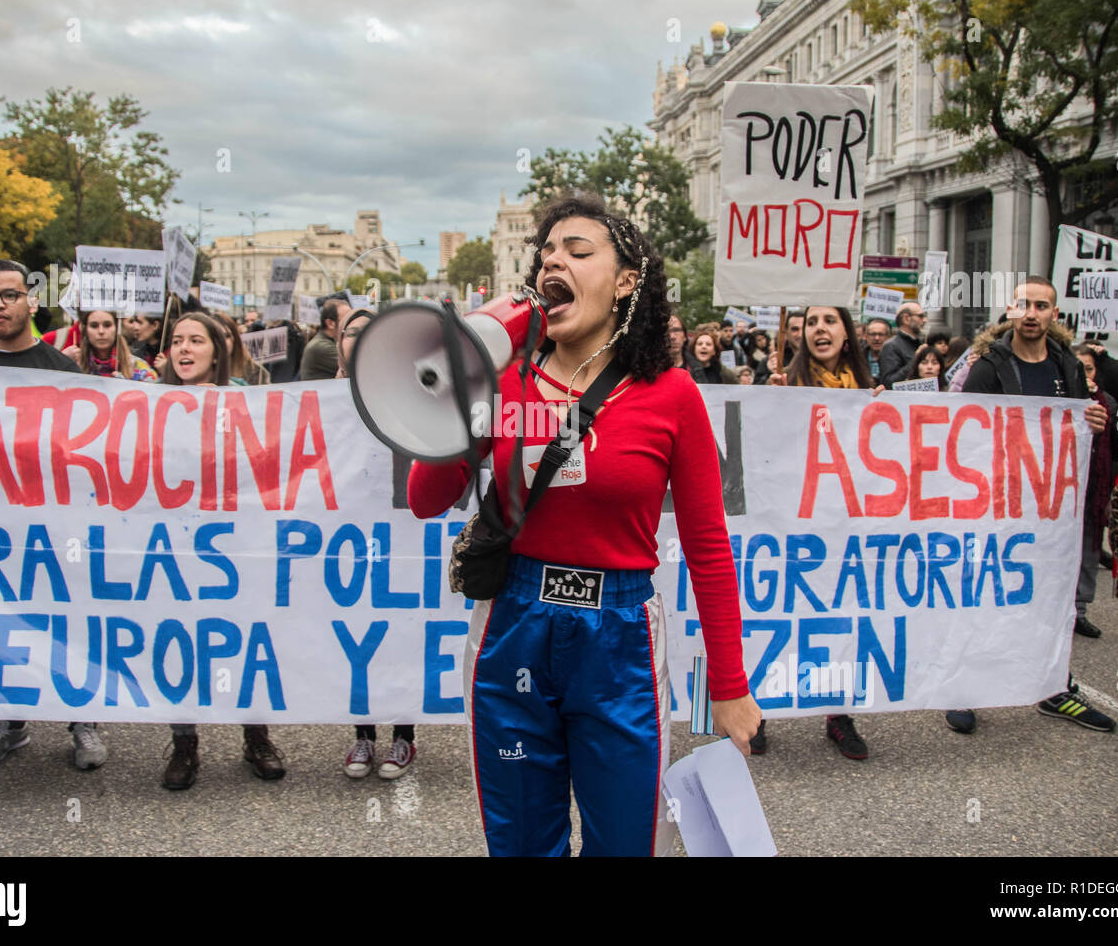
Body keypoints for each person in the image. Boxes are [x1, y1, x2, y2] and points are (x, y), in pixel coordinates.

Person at [407, 192, 760, 856]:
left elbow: (709, 547)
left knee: (625, 841)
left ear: (626, 280)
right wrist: (458, 397)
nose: (552, 263)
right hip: (511, 626)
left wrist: (730, 689)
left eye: (577, 251)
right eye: (545, 253)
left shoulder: (671, 394)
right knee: (519, 841)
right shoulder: (504, 382)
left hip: (620, 640)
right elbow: (427, 498)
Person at [0, 259, 108, 771]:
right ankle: (9, 727)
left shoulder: (60, 368)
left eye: (8, 296)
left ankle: (83, 723)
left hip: (53, 525)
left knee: (64, 623)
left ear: (31, 302)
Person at [946, 276, 1115, 734]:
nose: (1033, 314)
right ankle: (962, 689)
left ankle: (1054, 686)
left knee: (1049, 598)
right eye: (1025, 305)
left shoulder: (1067, 365)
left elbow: (1078, 426)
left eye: (1042, 306)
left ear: (1053, 315)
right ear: (1011, 310)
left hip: (1048, 508)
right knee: (982, 593)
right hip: (994, 503)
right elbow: (964, 430)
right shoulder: (989, 366)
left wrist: (1093, 419)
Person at [156, 312, 287, 787]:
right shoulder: (147, 401)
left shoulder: (247, 401)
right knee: (180, 641)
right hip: (173, 545)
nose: (184, 349)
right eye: (176, 341)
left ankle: (256, 737)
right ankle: (184, 745)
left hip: (237, 542)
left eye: (195, 340)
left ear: (217, 348)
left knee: (244, 636)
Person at [766, 305, 880, 759]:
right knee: (778, 616)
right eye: (811, 322)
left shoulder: (870, 392)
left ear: (846, 334)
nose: (819, 329)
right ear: (801, 335)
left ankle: (838, 713)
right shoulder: (784, 386)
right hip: (791, 527)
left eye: (829, 320)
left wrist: (890, 414)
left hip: (848, 530)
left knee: (841, 620)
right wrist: (769, 405)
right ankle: (759, 711)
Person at [332, 305, 416, 777]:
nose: (361, 339)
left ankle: (404, 737)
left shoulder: (406, 396)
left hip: (398, 534)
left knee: (402, 629)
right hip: (344, 539)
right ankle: (362, 737)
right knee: (354, 632)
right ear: (338, 342)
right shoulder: (316, 400)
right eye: (353, 332)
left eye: (372, 332)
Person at [1071, 344, 1118, 639]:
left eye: (1088, 369)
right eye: (1078, 369)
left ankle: (1081, 610)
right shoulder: (1058, 398)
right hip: (1060, 494)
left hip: (1093, 491)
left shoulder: (1108, 402)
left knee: (1089, 552)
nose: (1084, 375)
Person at [75, 309, 158, 380]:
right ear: (85, 330)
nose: (101, 331)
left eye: (107, 325)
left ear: (117, 328)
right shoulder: (74, 367)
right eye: (94, 326)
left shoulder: (138, 367)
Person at [213, 312, 270, 386]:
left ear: (235, 338)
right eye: (216, 336)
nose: (222, 341)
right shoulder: (197, 371)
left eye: (226, 336)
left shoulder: (256, 373)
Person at [878, 302, 926, 387]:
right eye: (920, 316)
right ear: (906, 319)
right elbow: (889, 383)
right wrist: (915, 360)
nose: (925, 320)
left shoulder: (921, 343)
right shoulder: (891, 346)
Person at [299, 300, 342, 379]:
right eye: (346, 319)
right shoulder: (321, 346)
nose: (352, 323)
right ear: (330, 324)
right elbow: (357, 366)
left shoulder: (328, 342)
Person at [863, 317, 891, 385]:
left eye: (881, 334)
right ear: (866, 337)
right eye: (873, 334)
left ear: (889, 337)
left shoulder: (896, 359)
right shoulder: (857, 357)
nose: (877, 338)